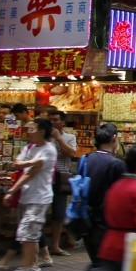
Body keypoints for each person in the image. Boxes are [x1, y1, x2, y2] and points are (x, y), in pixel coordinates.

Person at [54, 125, 126, 271]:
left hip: (85, 219)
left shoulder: (86, 159)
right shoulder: (116, 165)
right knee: (103, 268)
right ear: (114, 138)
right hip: (106, 224)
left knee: (99, 265)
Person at [2, 118, 59, 271]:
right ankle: (33, 267)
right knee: (30, 235)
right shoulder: (30, 148)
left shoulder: (49, 150)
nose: (29, 131)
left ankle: (25, 269)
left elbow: (30, 173)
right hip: (27, 196)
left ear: (42, 131)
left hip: (39, 198)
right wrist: (29, 162)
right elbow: (16, 164)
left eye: (32, 129)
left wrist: (12, 190)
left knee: (27, 232)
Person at [45, 109, 78, 256]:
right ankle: (41, 247)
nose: (52, 123)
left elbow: (71, 153)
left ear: (63, 122)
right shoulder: (43, 137)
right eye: (50, 120)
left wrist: (59, 138)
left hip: (60, 178)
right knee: (41, 213)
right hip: (45, 178)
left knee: (58, 214)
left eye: (56, 120)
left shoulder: (69, 137)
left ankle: (55, 245)